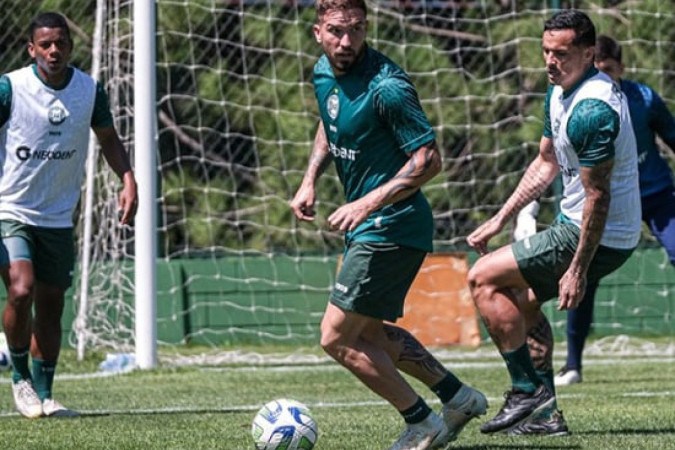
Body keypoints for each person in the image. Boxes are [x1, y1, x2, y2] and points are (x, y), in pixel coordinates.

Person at [290, 1, 487, 448]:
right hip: (373, 225)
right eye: (337, 31)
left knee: (335, 338)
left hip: (392, 224)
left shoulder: (388, 86)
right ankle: (458, 397)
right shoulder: (324, 72)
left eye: (357, 30)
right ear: (317, 31)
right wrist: (309, 181)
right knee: (370, 334)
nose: (347, 42)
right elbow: (330, 119)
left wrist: (366, 202)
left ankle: (421, 422)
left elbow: (429, 159)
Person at [466, 10, 641, 436]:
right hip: (578, 223)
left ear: (588, 54)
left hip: (600, 234)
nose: (549, 61)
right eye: (545, 51)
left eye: (561, 53)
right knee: (519, 300)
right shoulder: (559, 90)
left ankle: (527, 391)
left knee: (482, 279)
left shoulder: (592, 110)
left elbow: (598, 198)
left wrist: (578, 271)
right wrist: (499, 218)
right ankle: (545, 417)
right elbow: (545, 163)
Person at [0, 12, 137, 418]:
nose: (54, 51)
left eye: (60, 43)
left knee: (51, 302)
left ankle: (46, 394)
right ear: (31, 49)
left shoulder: (89, 91)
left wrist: (127, 179)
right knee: (21, 289)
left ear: (70, 46)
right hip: (10, 207)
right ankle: (20, 378)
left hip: (59, 215)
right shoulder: (10, 88)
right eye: (45, 44)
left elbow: (108, 138)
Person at [549, 34, 675, 386]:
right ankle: (572, 365)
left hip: (656, 197)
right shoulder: (578, 101)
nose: (602, 76)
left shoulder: (644, 98)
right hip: (610, 202)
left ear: (620, 68)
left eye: (608, 69)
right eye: (597, 70)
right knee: (584, 275)